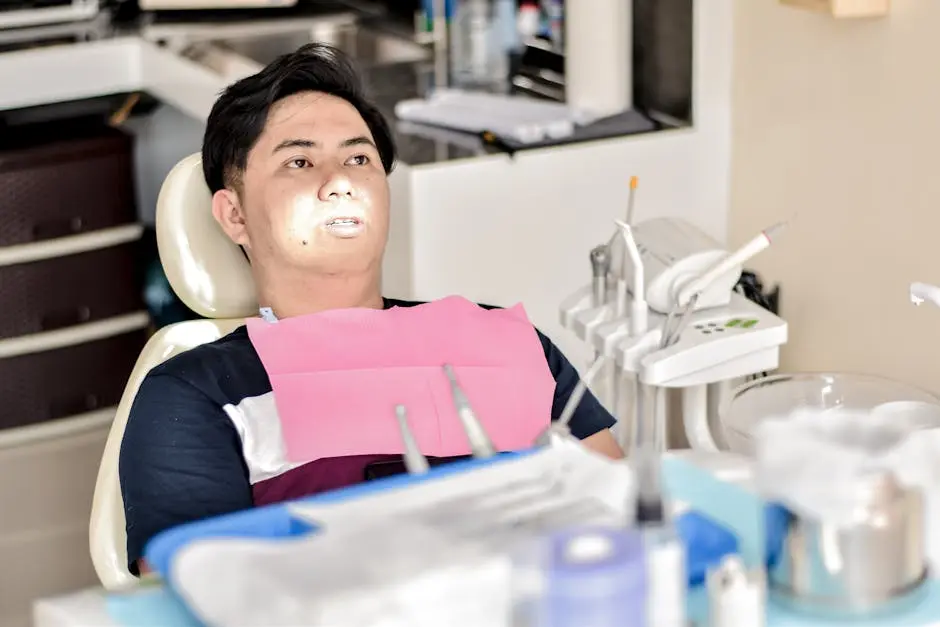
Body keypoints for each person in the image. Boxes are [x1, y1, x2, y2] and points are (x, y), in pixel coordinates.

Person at [119, 43, 622, 575]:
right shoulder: (197, 394)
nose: (340, 182)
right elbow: (195, 599)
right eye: (299, 161)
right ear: (235, 215)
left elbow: (621, 524)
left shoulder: (512, 343)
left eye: (358, 158)